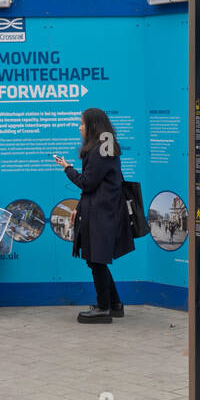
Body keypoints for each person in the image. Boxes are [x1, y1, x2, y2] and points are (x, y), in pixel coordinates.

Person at [54, 108, 133, 322]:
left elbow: (87, 183)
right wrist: (80, 208)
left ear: (93, 126)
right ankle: (114, 304)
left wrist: (67, 168)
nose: (79, 127)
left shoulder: (99, 151)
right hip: (101, 211)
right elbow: (95, 187)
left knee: (95, 260)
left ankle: (103, 308)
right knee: (97, 260)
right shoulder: (104, 149)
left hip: (100, 214)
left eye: (82, 124)